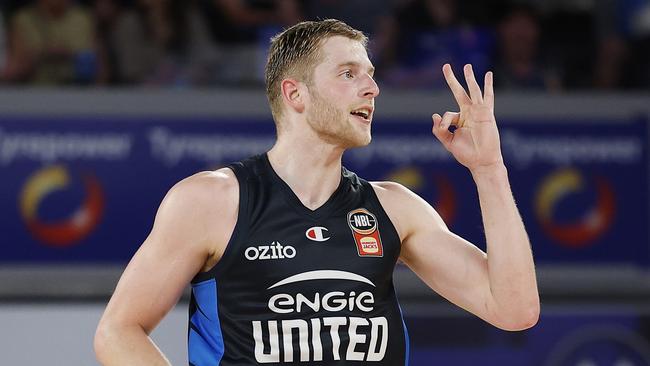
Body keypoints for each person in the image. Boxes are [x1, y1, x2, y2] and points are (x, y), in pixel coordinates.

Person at [94, 19, 539, 365]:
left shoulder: (394, 207)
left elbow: (513, 309)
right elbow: (118, 331)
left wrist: (489, 169)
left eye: (371, 74)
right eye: (348, 73)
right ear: (295, 94)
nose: (372, 87)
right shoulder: (211, 201)